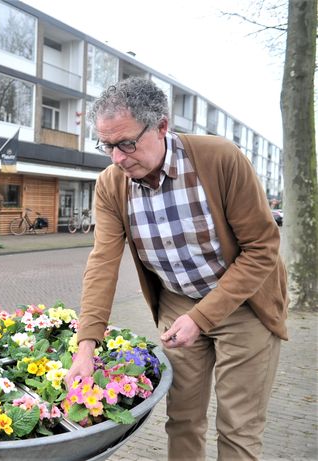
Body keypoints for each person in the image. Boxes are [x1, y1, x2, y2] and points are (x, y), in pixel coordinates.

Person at [66, 77, 287, 460]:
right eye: (107, 146)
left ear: (162, 127)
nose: (117, 158)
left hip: (244, 306)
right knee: (182, 419)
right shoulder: (111, 185)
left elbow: (262, 249)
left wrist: (202, 317)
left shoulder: (220, 159)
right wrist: (87, 345)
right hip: (177, 305)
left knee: (238, 428)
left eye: (127, 144)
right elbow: (102, 263)